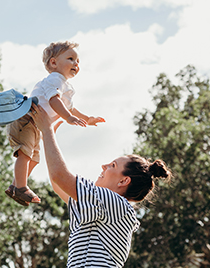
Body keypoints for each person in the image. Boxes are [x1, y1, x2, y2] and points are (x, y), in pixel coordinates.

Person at [30, 103, 173, 267]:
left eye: (112, 165)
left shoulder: (115, 203)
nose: (103, 166)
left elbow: (60, 177)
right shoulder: (104, 207)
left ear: (124, 181)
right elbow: (58, 184)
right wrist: (48, 136)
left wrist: (47, 130)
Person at [5, 41, 105, 206]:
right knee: (25, 154)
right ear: (53, 62)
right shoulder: (55, 79)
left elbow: (71, 109)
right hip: (26, 119)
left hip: (36, 125)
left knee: (35, 159)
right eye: (71, 58)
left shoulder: (65, 85)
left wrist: (88, 119)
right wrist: (67, 118)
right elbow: (54, 101)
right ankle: (21, 187)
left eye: (78, 61)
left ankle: (15, 185)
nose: (76, 63)